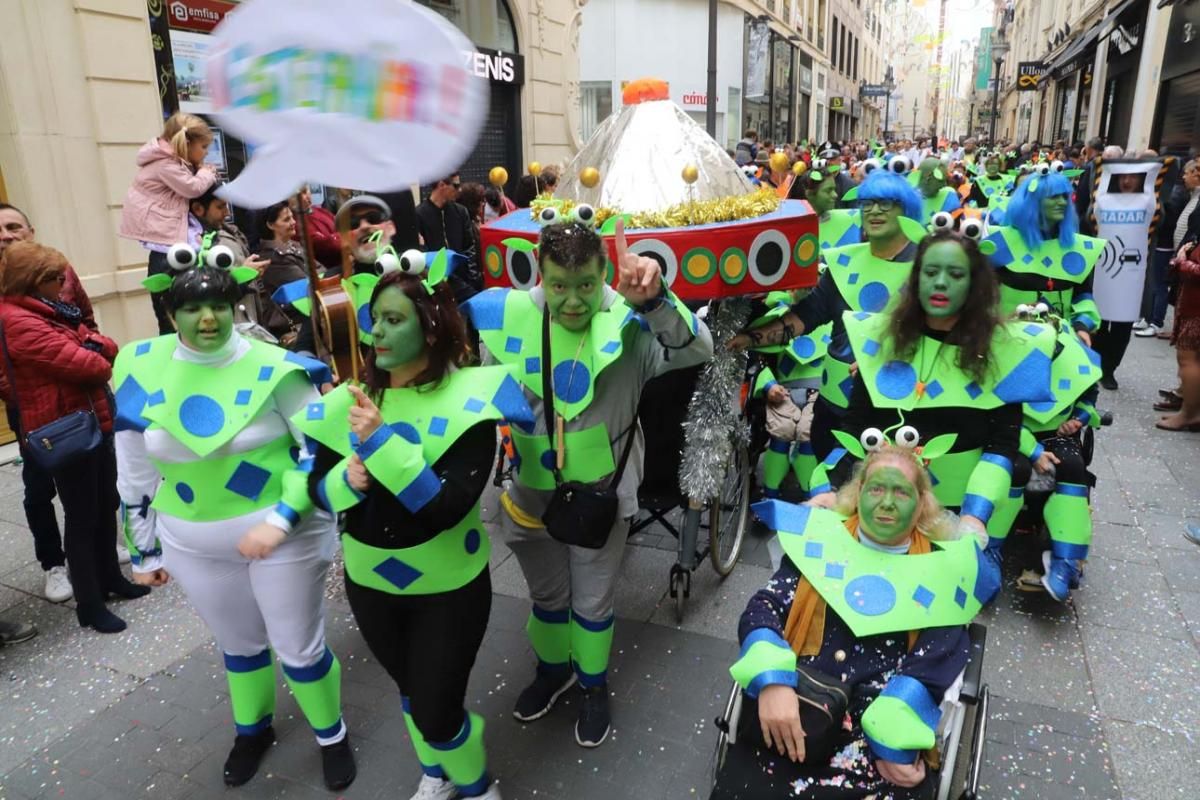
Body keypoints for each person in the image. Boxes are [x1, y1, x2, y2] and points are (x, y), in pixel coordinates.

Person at [462, 218, 713, 748]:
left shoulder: (631, 323)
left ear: (603, 275)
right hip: (530, 492)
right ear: (541, 276)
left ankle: (594, 686)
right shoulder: (509, 319)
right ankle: (554, 672)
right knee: (547, 597)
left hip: (602, 494)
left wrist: (656, 301)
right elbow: (488, 387)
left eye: (585, 286)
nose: (572, 301)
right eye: (558, 286)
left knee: (593, 601)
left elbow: (697, 349)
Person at [114, 261, 355, 790]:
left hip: (283, 537)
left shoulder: (278, 368)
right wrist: (144, 551)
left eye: (219, 306)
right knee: (238, 642)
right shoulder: (139, 367)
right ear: (170, 312)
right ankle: (253, 729)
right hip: (191, 542)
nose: (208, 318)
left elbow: (318, 451)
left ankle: (331, 735)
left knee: (298, 647)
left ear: (234, 309)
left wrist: (283, 518)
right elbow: (133, 468)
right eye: (193, 308)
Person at [299, 268, 532, 800]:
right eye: (373, 319)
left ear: (430, 330)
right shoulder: (351, 402)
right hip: (369, 583)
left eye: (392, 320)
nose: (375, 332)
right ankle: (437, 770)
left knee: (435, 706)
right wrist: (345, 480)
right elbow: (317, 492)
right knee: (410, 689)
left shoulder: (472, 400)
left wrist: (380, 444)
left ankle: (475, 786)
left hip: (446, 589)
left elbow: (444, 508)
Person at [712, 446, 992, 799]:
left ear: (922, 503)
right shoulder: (820, 544)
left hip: (878, 729)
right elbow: (764, 607)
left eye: (901, 491)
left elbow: (939, 655)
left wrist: (893, 733)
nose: (887, 503)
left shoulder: (941, 572)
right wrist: (772, 680)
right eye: (876, 488)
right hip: (801, 705)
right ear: (858, 494)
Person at [826, 230, 1053, 576]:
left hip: (961, 513)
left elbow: (1003, 443)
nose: (941, 283)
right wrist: (839, 495)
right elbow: (853, 430)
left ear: (975, 285)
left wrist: (974, 517)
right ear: (916, 279)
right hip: (884, 509)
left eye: (956, 274)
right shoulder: (880, 341)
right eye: (931, 273)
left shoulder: (1004, 352)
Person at [728, 170, 924, 464]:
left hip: (899, 412)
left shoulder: (928, 266)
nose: (873, 210)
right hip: (835, 406)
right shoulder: (845, 262)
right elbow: (807, 315)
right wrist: (748, 338)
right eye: (867, 203)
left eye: (886, 203)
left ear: (906, 209)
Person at [0, 242, 148, 633]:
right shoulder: (19, 320)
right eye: (54, 278)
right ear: (33, 281)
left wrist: (92, 345)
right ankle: (89, 603)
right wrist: (93, 347)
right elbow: (93, 366)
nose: (62, 284)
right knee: (81, 517)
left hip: (89, 417)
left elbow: (97, 343)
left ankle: (110, 580)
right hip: (65, 427)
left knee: (104, 503)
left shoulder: (51, 311)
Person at [0, 203, 101, 603]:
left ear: (30, 230)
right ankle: (53, 564)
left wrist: (83, 353)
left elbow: (87, 320)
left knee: (93, 479)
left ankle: (98, 551)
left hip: (79, 396)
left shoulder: (61, 269)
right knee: (38, 489)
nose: (5, 235)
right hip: (29, 407)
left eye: (13, 227)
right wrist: (16, 390)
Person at [1007, 309, 1102, 601]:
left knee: (1073, 467)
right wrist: (1034, 452)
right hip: (1011, 435)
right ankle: (992, 549)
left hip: (1057, 435)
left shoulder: (1072, 361)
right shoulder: (1005, 357)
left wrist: (1079, 420)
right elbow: (998, 416)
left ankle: (1065, 561)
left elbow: (1089, 398)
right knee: (1016, 469)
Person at [119, 112, 218, 335]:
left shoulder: (169, 161)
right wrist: (206, 172)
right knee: (172, 309)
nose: (206, 153)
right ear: (187, 143)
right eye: (203, 147)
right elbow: (192, 188)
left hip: (167, 239)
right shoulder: (166, 164)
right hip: (165, 241)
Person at [983, 172, 1102, 346]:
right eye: (1053, 197)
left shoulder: (1075, 248)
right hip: (1006, 342)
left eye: (1064, 196)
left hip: (1060, 344)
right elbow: (980, 295)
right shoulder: (1002, 243)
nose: (1062, 202)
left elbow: (1083, 296)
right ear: (1033, 201)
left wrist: (1082, 325)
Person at [1091, 165, 1159, 389]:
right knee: (1099, 321)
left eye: (1133, 176)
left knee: (1122, 326)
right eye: (1123, 176)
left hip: (1130, 275)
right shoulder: (1103, 201)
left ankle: (1110, 369)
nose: (1127, 181)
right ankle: (1096, 365)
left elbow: (1158, 219)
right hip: (1103, 269)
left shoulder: (1149, 203)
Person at [1139, 159, 1200, 338]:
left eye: (1188, 173)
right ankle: (1155, 320)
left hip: (1170, 248)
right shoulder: (1188, 194)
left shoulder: (1176, 194)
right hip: (1175, 248)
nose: (1184, 176)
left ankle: (1157, 322)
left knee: (1160, 284)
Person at [417, 174, 481, 303]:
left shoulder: (461, 212)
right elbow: (420, 254)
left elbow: (469, 247)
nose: (460, 190)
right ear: (442, 185)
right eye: (456, 185)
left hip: (463, 284)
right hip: (435, 285)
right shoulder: (419, 214)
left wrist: (472, 280)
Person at [253, 201, 309, 347]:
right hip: (296, 325)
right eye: (286, 219)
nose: (293, 222)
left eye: (292, 217)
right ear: (270, 225)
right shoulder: (272, 259)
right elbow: (308, 286)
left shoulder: (294, 246)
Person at [1160, 237, 1200, 431]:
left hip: (1196, 310)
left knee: (1188, 359)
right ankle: (1190, 410)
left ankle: (1189, 414)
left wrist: (1182, 261)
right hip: (1193, 307)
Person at [294, 184, 342, 270]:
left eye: (305, 192)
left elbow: (341, 227)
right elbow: (328, 244)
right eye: (296, 196)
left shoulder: (320, 211)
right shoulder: (294, 223)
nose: (304, 198)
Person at [915, 157, 962, 224]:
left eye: (945, 180)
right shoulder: (907, 198)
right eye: (939, 181)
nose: (943, 185)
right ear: (927, 178)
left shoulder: (949, 199)